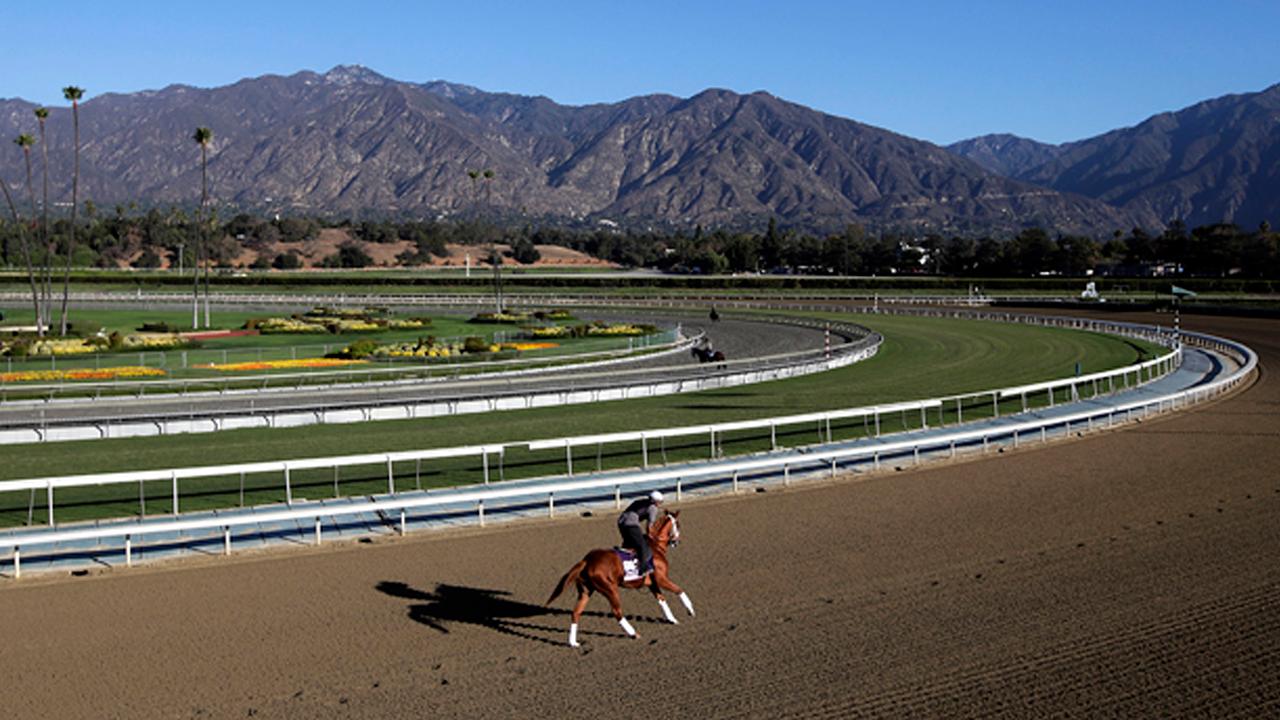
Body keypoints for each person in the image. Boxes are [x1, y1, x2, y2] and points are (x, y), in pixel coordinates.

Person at [617, 490, 664, 576]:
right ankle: (643, 568)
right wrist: (650, 535)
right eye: (660, 502)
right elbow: (650, 525)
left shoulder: (640, 501)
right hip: (631, 524)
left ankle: (625, 561)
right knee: (642, 545)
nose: (660, 504)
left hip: (621, 522)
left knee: (629, 542)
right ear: (655, 501)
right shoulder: (653, 508)